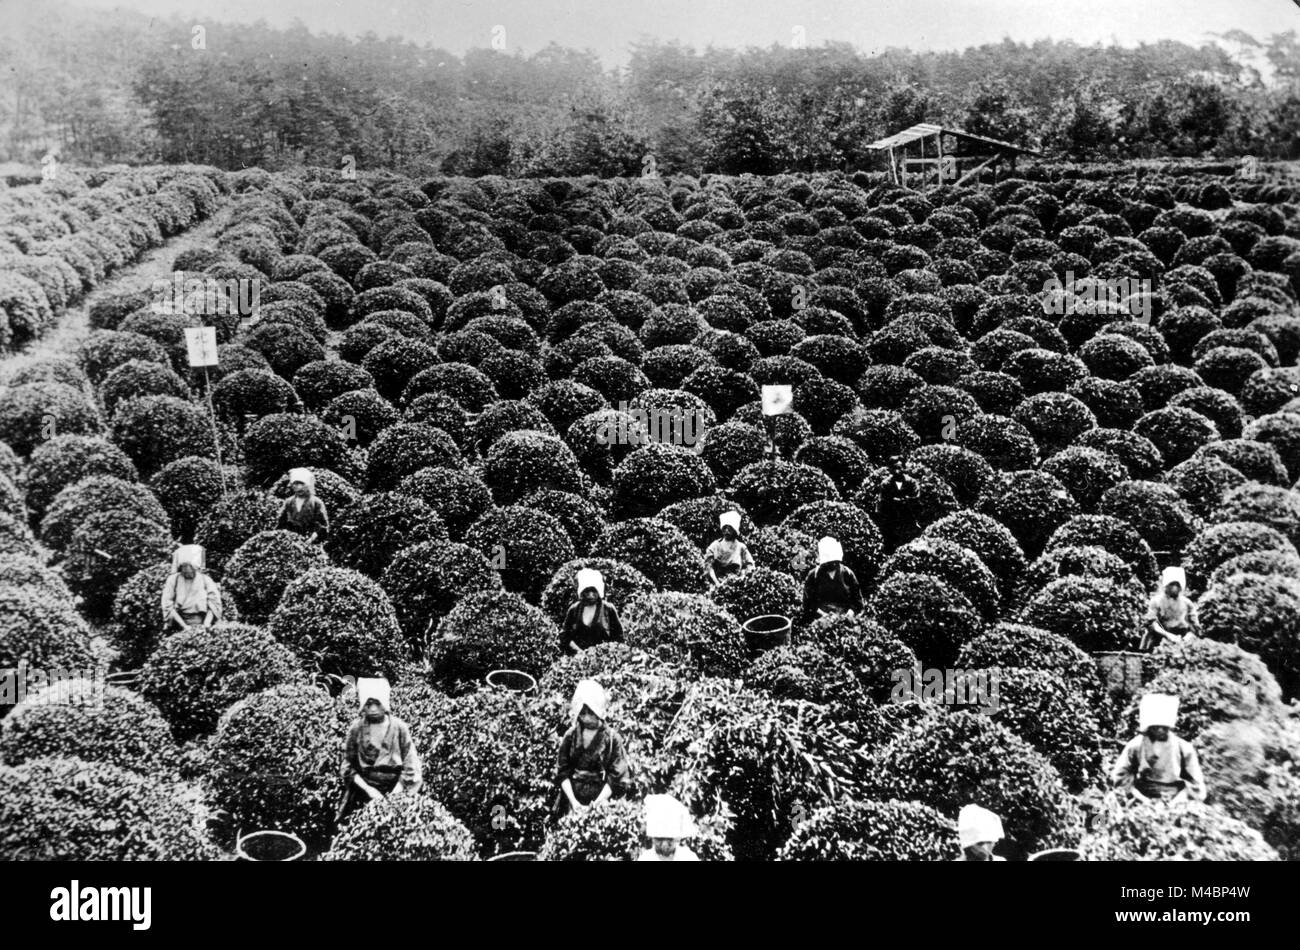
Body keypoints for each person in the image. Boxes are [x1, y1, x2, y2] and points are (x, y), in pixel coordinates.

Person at [337, 678, 423, 822]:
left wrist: (392, 798)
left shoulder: (399, 728)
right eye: (368, 704)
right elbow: (348, 766)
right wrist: (369, 790)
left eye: (377, 703)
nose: (373, 709)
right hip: (364, 793)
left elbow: (411, 765)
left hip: (397, 791)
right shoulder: (356, 729)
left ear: (385, 702)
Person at [552, 679, 632, 819]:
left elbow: (616, 778)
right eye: (583, 713)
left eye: (591, 713)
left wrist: (596, 804)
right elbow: (562, 772)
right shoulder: (570, 736)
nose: (587, 718)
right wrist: (574, 802)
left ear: (599, 711)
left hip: (601, 801)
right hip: (572, 800)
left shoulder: (612, 739)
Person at [1109, 692, 1206, 804]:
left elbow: (1196, 784)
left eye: (1163, 728)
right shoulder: (1136, 745)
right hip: (1141, 795)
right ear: (1148, 728)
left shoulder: (1183, 748)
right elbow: (1121, 775)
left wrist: (1177, 802)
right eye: (1156, 727)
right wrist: (1140, 798)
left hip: (1175, 798)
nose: (1160, 731)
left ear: (1169, 727)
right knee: (1108, 805)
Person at [561, 568, 624, 657]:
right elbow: (565, 636)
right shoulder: (574, 610)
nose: (591, 594)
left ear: (599, 591)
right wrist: (580, 652)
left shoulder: (608, 609)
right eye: (587, 591)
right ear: (582, 592)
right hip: (578, 660)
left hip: (605, 660)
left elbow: (619, 637)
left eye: (594, 590)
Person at [801, 536, 863, 624]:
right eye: (829, 562)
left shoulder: (847, 573)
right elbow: (808, 603)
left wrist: (850, 612)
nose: (833, 564)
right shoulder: (814, 575)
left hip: (844, 617)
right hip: (821, 617)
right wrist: (824, 615)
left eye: (835, 561)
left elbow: (857, 601)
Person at [159, 544, 222, 633]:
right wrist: (184, 626)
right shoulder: (173, 580)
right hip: (179, 624)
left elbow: (214, 603)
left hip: (202, 622)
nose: (187, 573)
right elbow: (167, 604)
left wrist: (206, 623)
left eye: (190, 570)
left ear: (195, 568)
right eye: (184, 570)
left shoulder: (205, 579)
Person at [1141, 566, 1199, 651]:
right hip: (1158, 640)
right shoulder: (1156, 601)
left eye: (1177, 585)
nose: (1175, 587)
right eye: (1172, 584)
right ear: (1166, 585)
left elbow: (1195, 625)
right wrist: (1168, 636)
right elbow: (1151, 624)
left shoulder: (1188, 604)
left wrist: (1189, 635)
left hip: (1182, 642)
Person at [638, 794, 701, 862]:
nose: (664, 844)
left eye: (670, 839)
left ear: (677, 838)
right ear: (652, 838)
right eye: (659, 839)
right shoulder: (646, 859)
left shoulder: (687, 857)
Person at [277, 467, 329, 543]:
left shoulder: (316, 502)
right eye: (295, 484)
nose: (298, 487)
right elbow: (281, 523)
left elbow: (322, 525)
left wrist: (312, 538)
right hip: (290, 542)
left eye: (301, 484)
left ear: (308, 485)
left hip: (310, 542)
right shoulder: (289, 502)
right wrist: (284, 533)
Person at [704, 510, 754, 586]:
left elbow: (750, 565)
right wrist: (717, 583)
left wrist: (743, 577)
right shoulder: (715, 545)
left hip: (736, 584)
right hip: (717, 583)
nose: (727, 531)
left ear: (734, 530)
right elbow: (708, 566)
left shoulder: (741, 547)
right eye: (724, 528)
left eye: (729, 528)